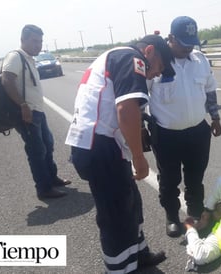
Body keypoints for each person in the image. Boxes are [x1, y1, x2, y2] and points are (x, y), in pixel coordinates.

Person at [65, 35, 175, 273]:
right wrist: (139, 156)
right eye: (159, 68)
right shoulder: (131, 58)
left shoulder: (116, 55)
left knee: (130, 203)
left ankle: (138, 255)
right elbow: (126, 109)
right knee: (115, 216)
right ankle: (119, 269)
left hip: (101, 143)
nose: (156, 75)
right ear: (149, 52)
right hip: (100, 146)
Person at [148, 16, 221, 237]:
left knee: (195, 176)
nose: (189, 47)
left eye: (192, 42)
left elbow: (210, 89)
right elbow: (141, 95)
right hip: (166, 134)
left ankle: (195, 213)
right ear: (170, 38)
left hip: (198, 132)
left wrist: (215, 117)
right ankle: (172, 216)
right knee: (169, 179)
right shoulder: (158, 61)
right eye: (183, 42)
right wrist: (143, 128)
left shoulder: (200, 60)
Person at [1, 24, 71, 200]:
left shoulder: (29, 58)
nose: (38, 45)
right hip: (27, 113)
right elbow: (7, 80)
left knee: (47, 145)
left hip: (37, 111)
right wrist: (23, 105)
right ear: (22, 40)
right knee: (36, 151)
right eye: (34, 41)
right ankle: (44, 188)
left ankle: (52, 178)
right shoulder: (16, 57)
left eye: (40, 41)